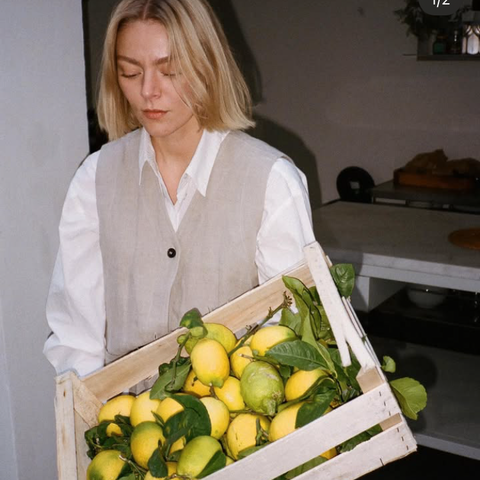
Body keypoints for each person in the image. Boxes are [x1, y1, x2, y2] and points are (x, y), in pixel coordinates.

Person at [43, 0, 315, 377]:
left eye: (169, 71)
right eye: (130, 72)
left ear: (206, 67)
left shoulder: (271, 182)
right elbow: (76, 340)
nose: (148, 91)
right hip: (121, 413)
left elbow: (291, 338)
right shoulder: (94, 180)